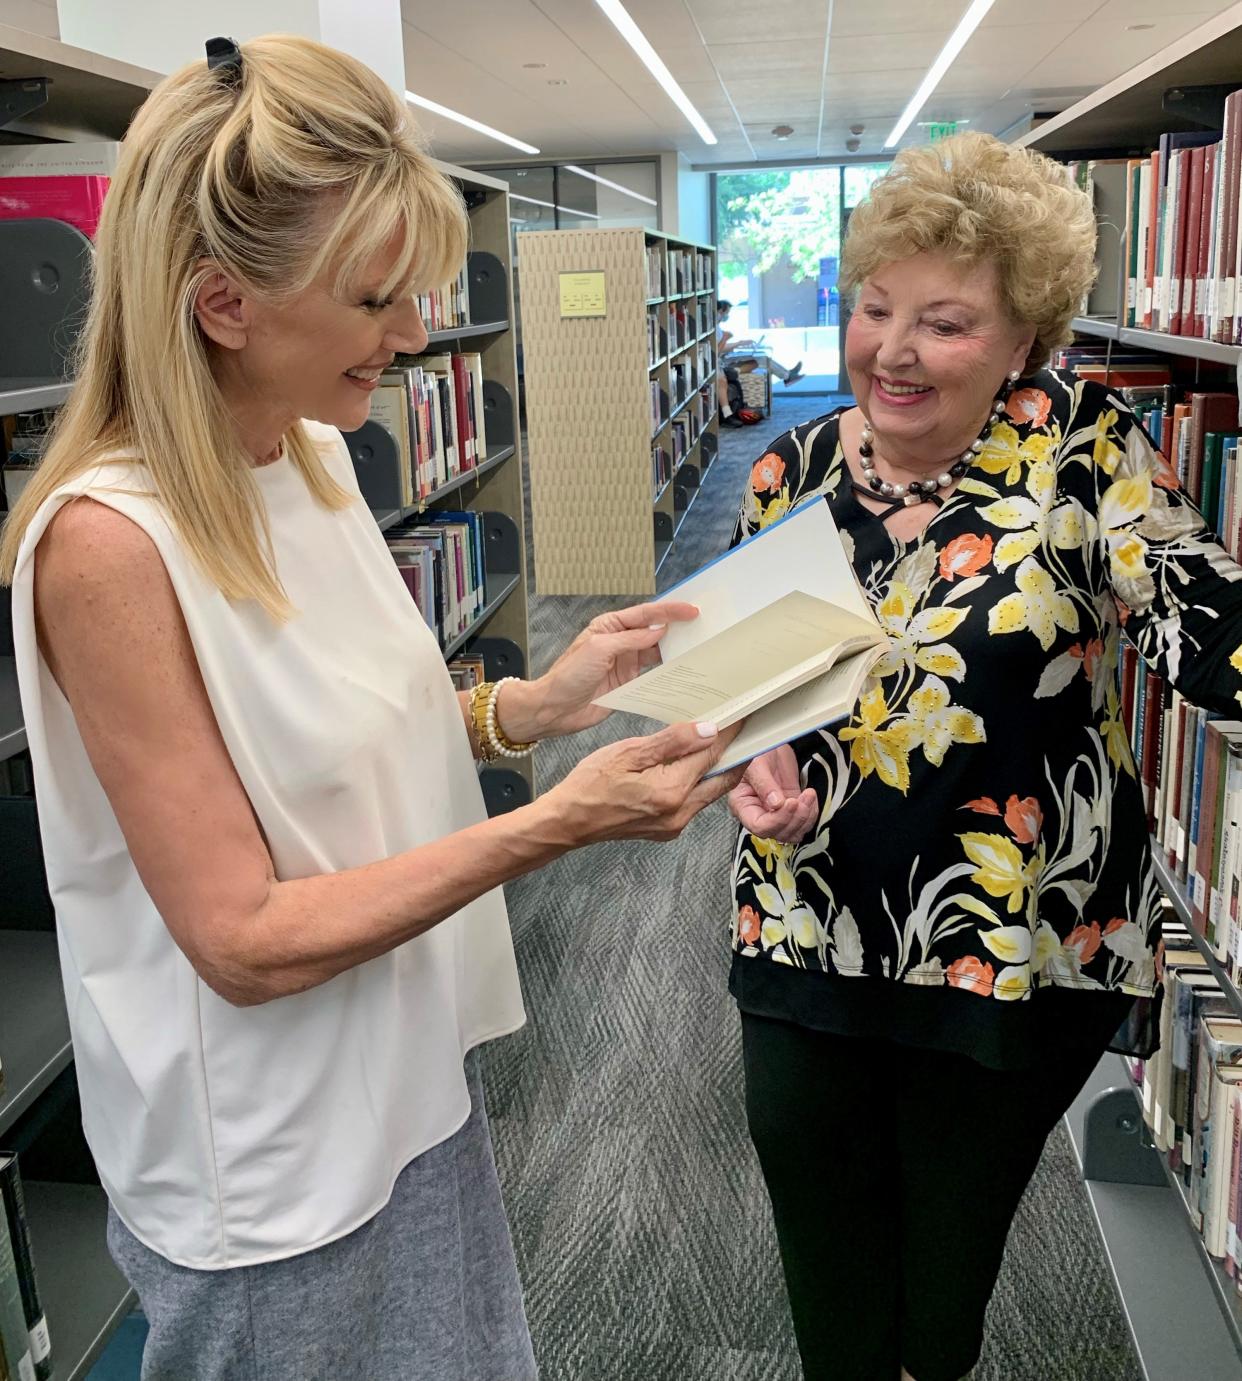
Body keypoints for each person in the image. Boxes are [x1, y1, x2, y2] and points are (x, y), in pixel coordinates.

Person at [0, 35, 740, 1381]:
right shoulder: (107, 547)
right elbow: (241, 936)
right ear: (224, 303)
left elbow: (334, 742)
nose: (414, 336)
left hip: (409, 1068)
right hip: (275, 1163)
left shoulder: (317, 457)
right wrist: (552, 828)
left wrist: (527, 705)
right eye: (376, 299)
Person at [724, 130, 1242, 1381]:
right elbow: (758, 689)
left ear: (1024, 341)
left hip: (1013, 941)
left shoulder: (1084, 449)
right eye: (873, 308)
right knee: (832, 1277)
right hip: (808, 923)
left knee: (941, 1287)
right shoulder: (790, 469)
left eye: (944, 323)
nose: (892, 351)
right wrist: (756, 761)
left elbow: (1197, 614)